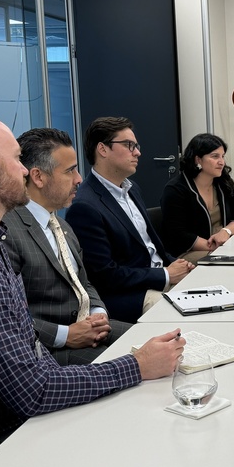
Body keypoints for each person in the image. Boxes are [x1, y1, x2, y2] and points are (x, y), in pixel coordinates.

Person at [0, 113, 185, 467]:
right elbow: (34, 391)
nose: (25, 171)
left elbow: (24, 348)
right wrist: (135, 366)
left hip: (9, 418)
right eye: (16, 159)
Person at [2, 127, 132, 366]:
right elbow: (6, 317)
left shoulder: (62, 225)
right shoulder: (8, 231)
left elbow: (83, 282)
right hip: (51, 350)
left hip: (91, 328)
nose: (79, 179)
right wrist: (65, 335)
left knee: (160, 342)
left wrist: (98, 314)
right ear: (38, 177)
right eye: (70, 171)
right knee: (140, 365)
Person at [65, 116, 195, 323]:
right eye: (129, 145)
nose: (137, 152)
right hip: (129, 294)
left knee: (214, 290)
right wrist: (165, 275)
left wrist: (178, 266)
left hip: (158, 278)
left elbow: (150, 246)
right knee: (182, 316)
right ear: (103, 149)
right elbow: (104, 276)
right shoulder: (85, 206)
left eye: (136, 145)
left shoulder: (132, 189)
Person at [160, 133, 234, 263]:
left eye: (222, 156)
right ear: (198, 160)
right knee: (232, 263)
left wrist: (226, 231)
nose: (221, 162)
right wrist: (215, 246)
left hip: (222, 247)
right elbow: (179, 235)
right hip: (188, 252)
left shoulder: (224, 183)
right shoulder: (176, 189)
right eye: (215, 156)